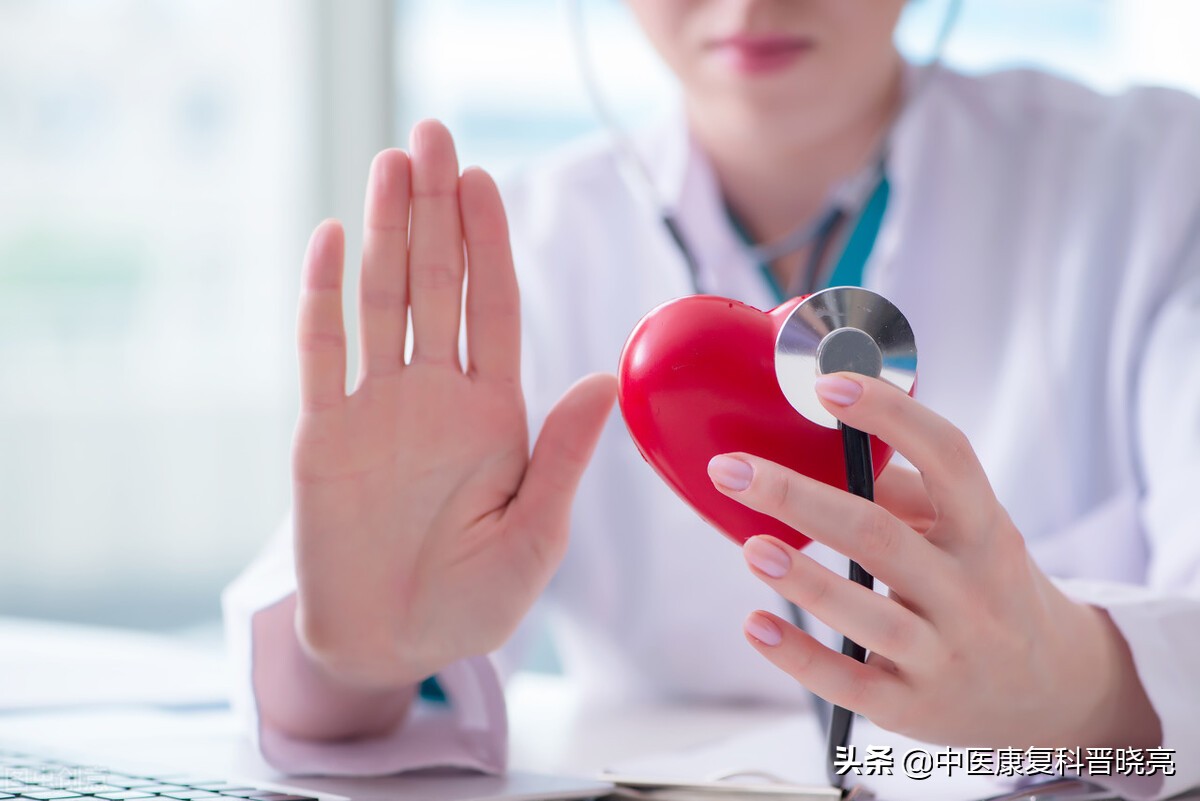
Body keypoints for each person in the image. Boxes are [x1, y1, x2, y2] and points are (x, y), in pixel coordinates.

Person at [223, 1, 1200, 798]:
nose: (750, 2)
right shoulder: (518, 255)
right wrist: (359, 663)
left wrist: (1084, 683)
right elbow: (338, 664)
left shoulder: (1159, 183)